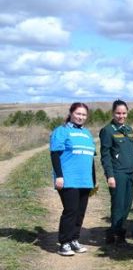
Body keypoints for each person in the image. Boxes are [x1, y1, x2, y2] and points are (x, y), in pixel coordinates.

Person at [50, 103, 96, 256]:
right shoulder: (61, 131)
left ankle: (74, 239)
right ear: (70, 113)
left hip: (85, 180)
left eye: (84, 115)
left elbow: (90, 159)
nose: (81, 117)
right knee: (71, 211)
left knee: (80, 212)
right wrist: (59, 176)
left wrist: (93, 180)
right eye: (78, 113)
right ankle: (64, 242)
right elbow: (55, 155)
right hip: (68, 179)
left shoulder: (88, 134)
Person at [99, 99, 133, 247]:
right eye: (118, 113)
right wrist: (110, 175)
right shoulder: (108, 131)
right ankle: (116, 235)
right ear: (113, 113)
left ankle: (116, 231)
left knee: (127, 205)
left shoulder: (129, 130)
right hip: (117, 173)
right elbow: (105, 155)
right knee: (118, 205)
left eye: (124, 113)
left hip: (130, 173)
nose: (121, 116)